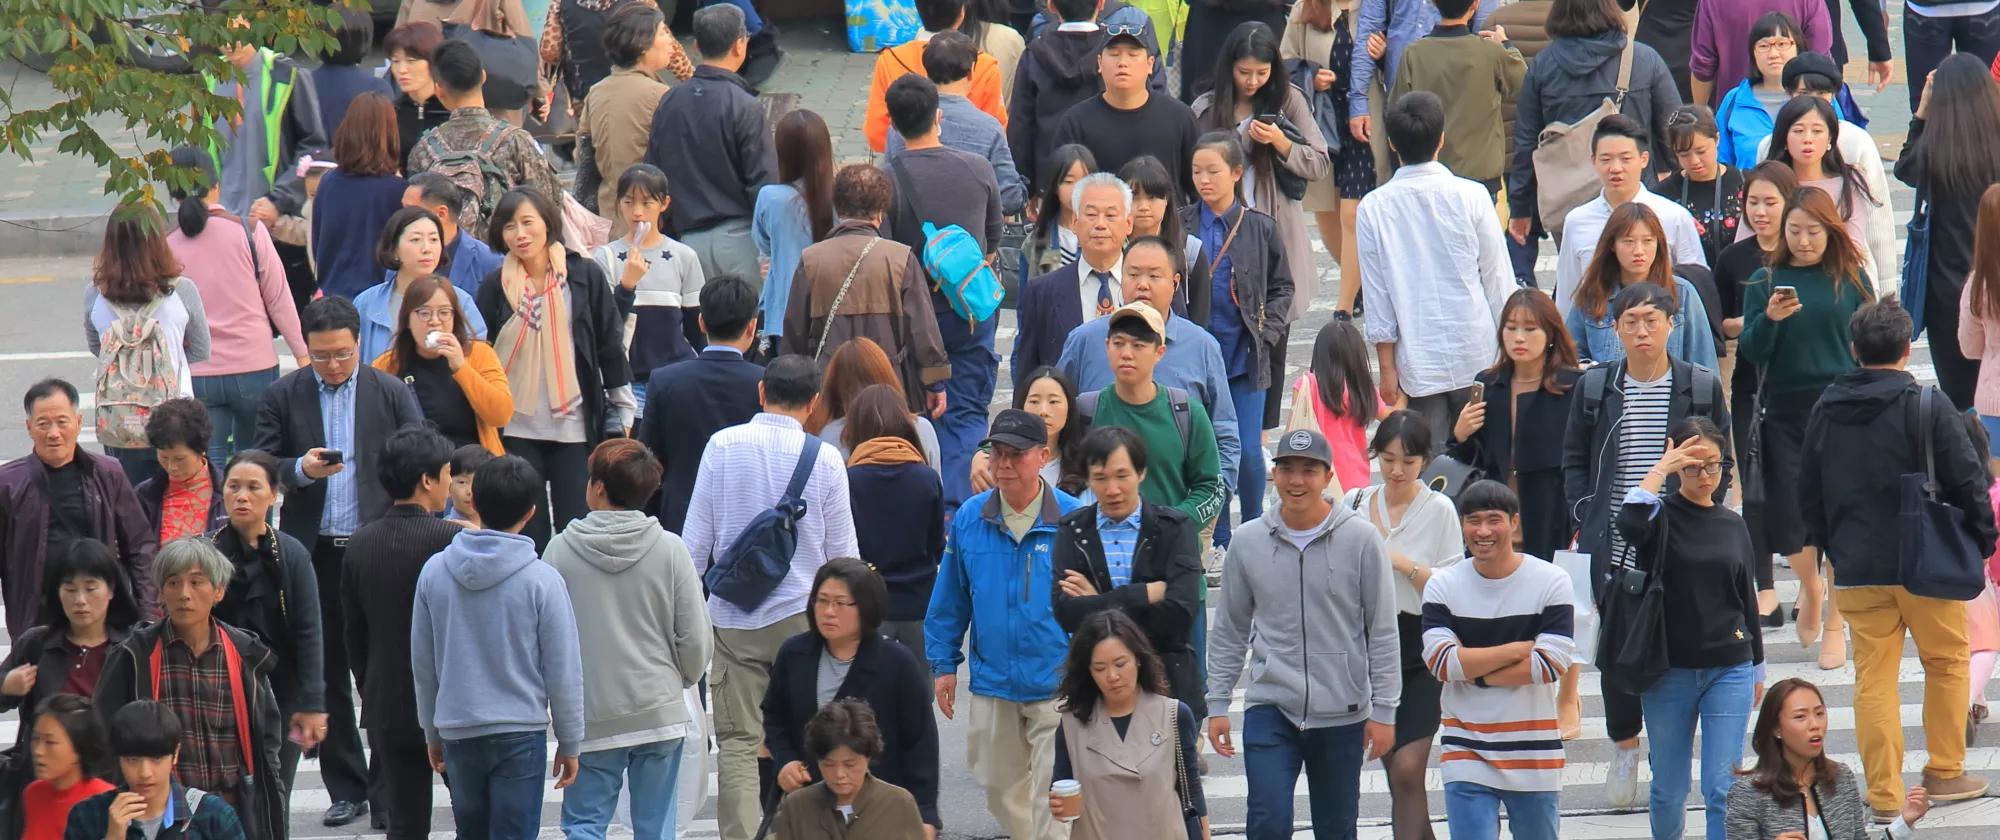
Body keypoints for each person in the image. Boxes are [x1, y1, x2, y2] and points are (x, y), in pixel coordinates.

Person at [1801, 299, 1998, 813]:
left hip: (1860, 567)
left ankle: (1884, 793)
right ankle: (1944, 771)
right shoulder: (1928, 406)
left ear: (1853, 350)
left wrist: (1833, 547)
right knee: (1947, 662)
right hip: (1927, 563)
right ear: (1908, 349)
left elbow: (1809, 491)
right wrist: (1982, 542)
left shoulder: (1826, 408)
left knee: (1874, 678)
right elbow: (1969, 480)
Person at [249, 295, 421, 825]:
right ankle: (346, 786)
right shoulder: (284, 393)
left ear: (359, 345)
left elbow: (420, 451)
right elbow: (260, 462)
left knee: (384, 671)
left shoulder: (390, 391)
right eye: (321, 355)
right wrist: (297, 469)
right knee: (323, 671)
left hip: (378, 545)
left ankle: (390, 790)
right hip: (313, 550)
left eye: (343, 354)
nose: (333, 365)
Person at [1562, 281, 1731, 808]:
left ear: (1670, 325)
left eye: (1651, 320)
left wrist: (1704, 507)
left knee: (1672, 649)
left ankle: (1664, 748)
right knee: (1617, 654)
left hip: (1676, 542)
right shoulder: (1596, 389)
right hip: (1613, 543)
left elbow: (1720, 457)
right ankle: (1624, 745)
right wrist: (1583, 515)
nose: (1641, 330)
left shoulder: (1699, 385)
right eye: (1630, 321)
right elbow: (1574, 459)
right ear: (1614, 329)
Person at [682, 356, 859, 840]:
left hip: (734, 618)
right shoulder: (823, 458)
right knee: (811, 738)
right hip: (803, 619)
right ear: (815, 403)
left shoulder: (721, 446)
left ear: (762, 393)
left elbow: (695, 543)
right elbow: (843, 555)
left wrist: (687, 614)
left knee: (739, 743)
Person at [1206, 427, 1398, 838]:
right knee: (1268, 823)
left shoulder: (1362, 539)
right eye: (1286, 469)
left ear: (1328, 476)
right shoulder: (1248, 540)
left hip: (1343, 710)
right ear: (1273, 474)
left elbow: (1382, 629)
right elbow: (1230, 629)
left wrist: (1384, 710)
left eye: (1308, 470)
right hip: (1271, 706)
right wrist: (1218, 702)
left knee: (1336, 828)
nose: (1296, 481)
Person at [544, 439, 713, 840]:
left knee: (585, 824)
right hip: (659, 711)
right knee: (655, 827)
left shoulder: (560, 551)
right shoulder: (670, 549)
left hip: (592, 714)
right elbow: (696, 640)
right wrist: (680, 681)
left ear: (598, 487)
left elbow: (545, 640)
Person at [925, 409, 1079, 840]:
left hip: (1058, 681)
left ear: (1043, 456)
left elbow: (1095, 603)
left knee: (1055, 793)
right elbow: (950, 597)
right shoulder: (972, 518)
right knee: (996, 783)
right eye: (997, 454)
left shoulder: (1071, 518)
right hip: (993, 680)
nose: (1005, 465)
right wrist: (943, 664)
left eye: (1018, 455)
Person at [412, 455, 585, 838]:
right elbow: (563, 668)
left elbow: (423, 664)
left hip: (458, 726)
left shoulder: (435, 572)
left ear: (473, 499)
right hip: (520, 729)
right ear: (531, 512)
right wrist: (570, 741)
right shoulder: (542, 580)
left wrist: (431, 731)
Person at [1741, 186, 1876, 671]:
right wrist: (1770, 320)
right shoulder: (1765, 280)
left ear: (1830, 230)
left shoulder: (1850, 276)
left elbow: (1870, 342)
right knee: (1792, 516)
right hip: (1785, 410)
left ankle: (1835, 623)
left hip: (1843, 408)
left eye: (1813, 231)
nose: (1802, 240)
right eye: (1794, 230)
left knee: (1840, 515)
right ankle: (1812, 587)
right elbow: (1753, 351)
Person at [1613, 416, 1763, 840]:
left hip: (1729, 665)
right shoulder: (1658, 517)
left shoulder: (1733, 523)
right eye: (1692, 466)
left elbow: (1745, 597)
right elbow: (1629, 524)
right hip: (1668, 668)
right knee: (1668, 789)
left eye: (1712, 465)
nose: (1704, 476)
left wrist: (1757, 666)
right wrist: (1660, 469)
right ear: (1677, 466)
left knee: (1723, 787)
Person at [474, 187, 636, 550]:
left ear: (548, 224)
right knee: (524, 532)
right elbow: (480, 354)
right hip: (515, 424)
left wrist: (623, 404)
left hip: (574, 425)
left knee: (575, 529)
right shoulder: (494, 286)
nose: (520, 234)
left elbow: (608, 343)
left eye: (528, 223)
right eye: (510, 226)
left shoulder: (584, 276)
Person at [91, 538, 286, 840]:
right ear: (161, 592)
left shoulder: (243, 653)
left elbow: (268, 737)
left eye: (197, 582)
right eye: (173, 583)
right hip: (161, 815)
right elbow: (102, 736)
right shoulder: (134, 655)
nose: (184, 594)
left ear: (218, 590)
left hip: (230, 811)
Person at [877, 76, 1005, 512]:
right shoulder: (977, 168)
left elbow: (888, 256)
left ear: (892, 124)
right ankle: (961, 514)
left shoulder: (885, 179)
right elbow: (993, 239)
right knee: (967, 413)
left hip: (914, 321)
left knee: (915, 416)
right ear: (939, 116)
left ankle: (921, 512)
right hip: (971, 310)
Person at [1422, 480, 1575, 840]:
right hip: (1465, 749)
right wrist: (1517, 649)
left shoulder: (1550, 580)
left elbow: (1549, 665)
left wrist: (1474, 672)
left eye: (1494, 519)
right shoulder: (1443, 585)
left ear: (1514, 523)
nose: (1483, 531)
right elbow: (1442, 664)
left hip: (1534, 754)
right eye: (1473, 520)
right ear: (1462, 525)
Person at [1356, 91, 1510, 445]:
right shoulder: (1472, 195)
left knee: (1432, 468)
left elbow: (1377, 296)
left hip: (1417, 357)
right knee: (1482, 462)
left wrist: (1387, 369)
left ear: (1392, 143)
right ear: (1442, 138)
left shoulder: (1373, 207)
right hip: (1478, 347)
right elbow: (1497, 277)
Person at [1053, 236, 1242, 501]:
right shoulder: (1085, 340)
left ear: (1175, 284)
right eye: (1132, 274)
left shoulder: (1202, 346)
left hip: (1181, 513)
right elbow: (1051, 413)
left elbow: (1224, 431)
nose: (1142, 284)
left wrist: (1211, 503)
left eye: (1154, 276)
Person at [1344, 413, 1462, 836]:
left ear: (1425, 461)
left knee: (1409, 770)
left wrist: (1396, 560)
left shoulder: (1440, 509)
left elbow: (1450, 584)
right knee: (1397, 773)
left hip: (1419, 644)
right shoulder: (1355, 503)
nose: (1396, 471)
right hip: (1368, 645)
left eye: (1407, 462)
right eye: (1387, 459)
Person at [339, 427, 458, 840]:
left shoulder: (360, 542)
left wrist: (368, 686)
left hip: (387, 697)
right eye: (446, 473)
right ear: (427, 480)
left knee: (405, 822)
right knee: (473, 812)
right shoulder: (453, 541)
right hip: (450, 700)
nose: (449, 483)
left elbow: (354, 633)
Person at [764, 558, 940, 832]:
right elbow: (774, 718)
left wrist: (926, 814)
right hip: (813, 806)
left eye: (840, 603)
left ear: (867, 607)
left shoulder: (896, 663)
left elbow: (921, 742)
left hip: (878, 809)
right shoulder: (794, 654)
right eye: (821, 601)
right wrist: (785, 760)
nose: (828, 612)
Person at [162, 147, 307, 463]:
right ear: (216, 186)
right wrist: (302, 354)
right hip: (255, 368)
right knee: (257, 466)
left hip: (197, 373)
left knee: (207, 471)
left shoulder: (166, 245)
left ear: (172, 192)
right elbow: (279, 299)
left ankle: (212, 515)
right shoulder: (249, 231)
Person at [1183, 133, 1291, 551]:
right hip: (1197, 358)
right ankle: (1217, 537)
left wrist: (1268, 330)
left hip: (1245, 356)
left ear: (1236, 173)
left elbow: (1283, 286)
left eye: (1213, 171)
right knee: (1206, 452)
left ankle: (1251, 533)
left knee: (1247, 451)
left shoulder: (1260, 228)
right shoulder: (1182, 223)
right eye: (1197, 171)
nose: (1204, 180)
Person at [1052, 426, 1204, 716]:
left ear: (1141, 472)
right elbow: (1066, 613)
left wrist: (1098, 602)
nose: (1112, 490)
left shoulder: (1175, 528)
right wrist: (1143, 593)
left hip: (1169, 688)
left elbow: (1180, 614)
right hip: (1097, 693)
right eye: (1100, 478)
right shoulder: (1072, 530)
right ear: (1087, 479)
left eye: (1122, 476)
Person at [781, 164, 952, 418]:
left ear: (838, 209)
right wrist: (935, 381)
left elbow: (795, 331)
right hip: (888, 384)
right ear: (881, 213)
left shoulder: (811, 260)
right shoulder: (899, 258)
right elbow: (923, 328)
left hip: (827, 387)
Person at [1508, 0, 1682, 249]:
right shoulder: (1643, 58)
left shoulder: (1543, 66)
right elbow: (1672, 129)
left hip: (1568, 199)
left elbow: (1526, 141)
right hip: (1634, 193)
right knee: (1639, 272)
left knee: (1580, 273)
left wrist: (1521, 207)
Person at [206, 450, 329, 793]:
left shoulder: (291, 554)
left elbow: (309, 631)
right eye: (234, 487)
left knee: (276, 790)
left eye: (254, 487)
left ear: (274, 494)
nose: (242, 496)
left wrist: (313, 703)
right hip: (216, 692)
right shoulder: (204, 554)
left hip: (281, 692)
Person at [1, 379, 158, 637]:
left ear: (78, 421)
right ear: (29, 427)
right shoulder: (8, 484)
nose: (54, 433)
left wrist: (149, 616)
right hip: (38, 620)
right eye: (43, 424)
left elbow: (140, 547)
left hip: (102, 617)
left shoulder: (108, 474)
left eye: (62, 422)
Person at [1193, 22, 1328, 318]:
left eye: (1262, 73)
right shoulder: (1206, 109)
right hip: (1221, 233)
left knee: (1275, 328)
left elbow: (1319, 162)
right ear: (1229, 67)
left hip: (1275, 229)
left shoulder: (1288, 100)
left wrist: (1280, 141)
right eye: (1244, 72)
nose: (1252, 81)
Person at [1718, 161, 1800, 625]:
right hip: (1751, 382)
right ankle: (1764, 588)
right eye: (1753, 202)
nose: (1761, 211)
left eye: (1771, 202)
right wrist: (1756, 317)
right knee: (1756, 488)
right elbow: (1723, 322)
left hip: (1799, 386)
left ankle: (1812, 584)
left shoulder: (1805, 254)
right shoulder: (1734, 259)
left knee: (1802, 487)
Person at [1446, 290, 1584, 566]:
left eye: (1530, 329)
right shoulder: (1488, 384)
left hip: (1551, 517)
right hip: (1494, 515)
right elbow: (1468, 459)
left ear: (1550, 335)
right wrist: (1460, 434)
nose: (1519, 337)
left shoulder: (1573, 386)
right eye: (1511, 328)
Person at [642, 4, 774, 288]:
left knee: (699, 327)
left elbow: (653, 172)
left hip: (687, 240)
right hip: (741, 240)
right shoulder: (744, 105)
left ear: (697, 45)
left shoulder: (670, 101)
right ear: (740, 45)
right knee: (746, 326)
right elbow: (763, 182)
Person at [1048, 610, 1207, 839]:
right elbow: (1061, 788)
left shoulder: (1173, 715)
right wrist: (1059, 807)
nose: (1112, 676)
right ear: (1088, 672)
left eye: (1120, 664)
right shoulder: (1072, 724)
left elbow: (1192, 793)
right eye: (1100, 668)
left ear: (1138, 660)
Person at [83, 212, 212, 486]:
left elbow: (98, 347)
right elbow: (201, 348)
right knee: (178, 502)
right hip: (177, 415)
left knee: (129, 501)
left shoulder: (95, 294)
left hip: (119, 418)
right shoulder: (182, 290)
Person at [1903, 54, 2000, 411]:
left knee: (1960, 403)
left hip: (1946, 293)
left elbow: (1903, 168)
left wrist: (1921, 113)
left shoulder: (1934, 150)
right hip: (1995, 280)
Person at [1749, 54, 1896, 286]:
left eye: (1822, 94)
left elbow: (1879, 226)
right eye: (1804, 94)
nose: (1814, 101)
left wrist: (1888, 292)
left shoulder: (1856, 142)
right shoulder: (1769, 145)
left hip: (1845, 278)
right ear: (1789, 95)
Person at [0, 541, 143, 776]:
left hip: (109, 783)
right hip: (44, 782)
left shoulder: (131, 648)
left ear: (111, 590)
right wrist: (6, 685)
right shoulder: (36, 644)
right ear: (57, 592)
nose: (80, 600)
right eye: (69, 588)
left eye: (90, 588)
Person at [637, 275, 765, 534]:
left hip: (679, 516)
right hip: (748, 519)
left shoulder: (665, 380)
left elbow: (648, 457)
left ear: (701, 322)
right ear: (752, 327)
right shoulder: (764, 383)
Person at [1724, 678, 1931, 837]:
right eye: (1800, 717)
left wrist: (1904, 822)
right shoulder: (1749, 794)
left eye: (1819, 713)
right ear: (1776, 728)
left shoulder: (1841, 779)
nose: (1814, 724)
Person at [1553, 116, 1709, 318]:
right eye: (1606, 159)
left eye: (1625, 159)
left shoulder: (1674, 216)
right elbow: (1568, 294)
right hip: (1599, 332)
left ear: (1643, 160)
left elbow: (1696, 283)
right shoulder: (1577, 221)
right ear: (1593, 161)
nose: (1616, 168)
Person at [1087, 303, 1227, 526]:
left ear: (1159, 352)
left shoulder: (1187, 413)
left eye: (1138, 345)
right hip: (1105, 547)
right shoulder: (1086, 411)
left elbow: (1212, 487)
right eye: (1118, 344)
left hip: (1172, 549)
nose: (1126, 354)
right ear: (1107, 347)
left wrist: (1171, 523)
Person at [406, 39, 563, 235]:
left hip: (448, 261)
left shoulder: (423, 150)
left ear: (438, 90)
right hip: (508, 258)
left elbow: (414, 216)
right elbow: (547, 208)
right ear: (483, 76)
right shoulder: (515, 140)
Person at [1283, 0, 1373, 314]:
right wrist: (1310, 76)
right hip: (1322, 120)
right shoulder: (1305, 8)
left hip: (1366, 121)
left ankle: (1344, 305)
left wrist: (1384, 48)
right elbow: (1284, 60)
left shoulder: (1377, 8)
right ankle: (1358, 285)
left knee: (1352, 213)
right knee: (1326, 214)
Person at [843, 385, 947, 656]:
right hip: (919, 604)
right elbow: (937, 546)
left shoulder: (849, 480)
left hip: (867, 605)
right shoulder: (926, 478)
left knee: (863, 694)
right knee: (919, 693)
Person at [1008, 0, 1156, 188]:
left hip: (1054, 179)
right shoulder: (1114, 52)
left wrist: (1028, 187)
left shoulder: (1034, 54)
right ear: (1101, 3)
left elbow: (1021, 125)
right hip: (1115, 177)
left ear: (1051, 6)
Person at [1385, 0, 1524, 197]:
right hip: (1480, 174)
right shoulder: (1491, 52)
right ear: (1475, 4)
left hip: (1429, 173)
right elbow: (1523, 85)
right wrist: (1506, 45)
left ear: (1433, 3)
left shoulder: (1414, 54)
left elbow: (1397, 110)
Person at [577, 2, 695, 225]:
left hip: (610, 217)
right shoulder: (660, 95)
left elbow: (584, 157)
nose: (671, 41)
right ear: (642, 44)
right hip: (650, 223)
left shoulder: (596, 92)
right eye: (663, 33)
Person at [1014, 173, 1136, 389]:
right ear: (1076, 223)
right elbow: (1028, 370)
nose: (1100, 225)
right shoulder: (1043, 291)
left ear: (1128, 224)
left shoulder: (1150, 284)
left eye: (1110, 215)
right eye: (1091, 215)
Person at [590, 164, 707, 389]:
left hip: (677, 376)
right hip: (629, 381)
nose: (637, 211)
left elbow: (696, 326)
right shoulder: (606, 257)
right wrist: (627, 285)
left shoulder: (683, 256)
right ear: (618, 204)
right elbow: (604, 326)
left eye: (647, 202)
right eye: (628, 202)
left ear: (664, 203)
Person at [886, 32, 1027, 216]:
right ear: (971, 72)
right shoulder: (989, 128)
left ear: (926, 70)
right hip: (971, 236)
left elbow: (886, 183)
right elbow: (1009, 199)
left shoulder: (902, 123)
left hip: (908, 233)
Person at [63, 702, 249, 840]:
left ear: (175, 754)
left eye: (156, 759)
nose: (145, 773)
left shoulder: (214, 815)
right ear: (119, 758)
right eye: (133, 760)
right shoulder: (87, 815)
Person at [1567, 203, 1721, 368]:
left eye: (1647, 241)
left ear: (1658, 243)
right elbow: (1569, 359)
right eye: (1628, 241)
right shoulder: (1593, 295)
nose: (1638, 250)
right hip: (1608, 392)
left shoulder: (1683, 293)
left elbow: (1704, 363)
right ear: (1612, 245)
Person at [372, 273, 512, 453]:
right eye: (424, 313)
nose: (435, 322)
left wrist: (461, 368)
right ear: (407, 319)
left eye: (444, 313)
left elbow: (501, 416)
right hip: (417, 468)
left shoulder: (479, 354)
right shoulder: (386, 366)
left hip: (472, 468)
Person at [1050, 29, 1200, 197]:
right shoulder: (1076, 121)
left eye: (1133, 55)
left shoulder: (1179, 116)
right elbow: (1061, 187)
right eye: (1114, 54)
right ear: (1099, 63)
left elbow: (1196, 185)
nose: (1122, 62)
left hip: (1167, 221)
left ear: (1150, 64)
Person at [205, 36, 325, 226]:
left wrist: (278, 201)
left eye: (235, 34)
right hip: (221, 222)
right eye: (220, 35)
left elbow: (312, 148)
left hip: (274, 223)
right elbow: (200, 150)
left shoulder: (286, 76)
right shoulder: (208, 79)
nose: (228, 44)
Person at [769, 700, 929, 840]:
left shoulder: (898, 803)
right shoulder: (797, 806)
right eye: (829, 764)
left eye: (850, 764)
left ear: (867, 757)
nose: (839, 774)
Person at [863, 0, 1007, 154]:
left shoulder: (890, 60)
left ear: (918, 10)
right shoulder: (982, 65)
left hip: (905, 164)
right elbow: (998, 131)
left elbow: (876, 133)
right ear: (962, 14)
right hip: (971, 168)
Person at [357, 206, 490, 365]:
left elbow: (478, 363)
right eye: (415, 240)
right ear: (394, 249)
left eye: (434, 240)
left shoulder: (460, 301)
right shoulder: (367, 303)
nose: (427, 249)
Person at [310, 93, 407, 301]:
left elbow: (318, 244)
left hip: (333, 297)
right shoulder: (399, 191)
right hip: (381, 301)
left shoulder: (328, 183)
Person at [754, 109, 837, 350]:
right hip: (830, 309)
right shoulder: (838, 196)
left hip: (782, 312)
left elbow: (763, 246)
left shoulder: (770, 197)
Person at [1288, 318, 1385, 496]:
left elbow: (1291, 432)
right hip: (1355, 480)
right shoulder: (1362, 387)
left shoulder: (1307, 385)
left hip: (1317, 477)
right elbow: (1390, 417)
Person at [811, 339, 943, 469]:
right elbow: (936, 486)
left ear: (834, 387)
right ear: (887, 376)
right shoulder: (923, 429)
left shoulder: (828, 438)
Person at [1689, 0, 1830, 106]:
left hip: (1738, 115)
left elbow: (1703, 66)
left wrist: (1702, 116)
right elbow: (1821, 60)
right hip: (1800, 114)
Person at [975, 367, 1090, 496]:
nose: (1043, 411)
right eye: (1034, 401)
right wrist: (980, 453)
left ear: (1069, 408)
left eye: (1054, 401)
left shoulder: (1085, 462)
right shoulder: (997, 462)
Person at [1714, 13, 1809, 169]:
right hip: (1748, 191)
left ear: (1798, 47)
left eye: (1782, 44)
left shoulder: (1816, 95)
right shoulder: (1734, 99)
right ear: (1753, 53)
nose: (1773, 54)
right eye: (1764, 46)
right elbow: (1721, 163)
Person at [1117, 156, 1209, 314]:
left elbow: (1199, 318)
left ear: (1167, 199)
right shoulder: (1110, 249)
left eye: (1152, 197)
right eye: (1134, 198)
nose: (1144, 206)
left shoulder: (1190, 251)